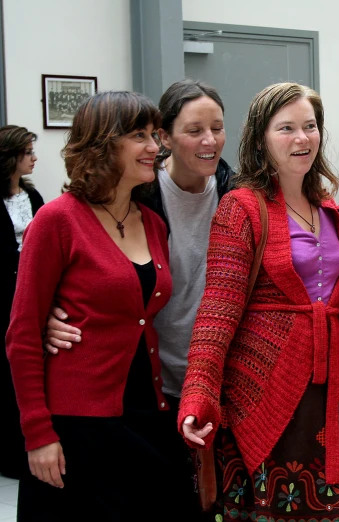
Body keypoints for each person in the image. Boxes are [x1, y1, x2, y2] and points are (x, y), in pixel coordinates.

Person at [43, 79, 235, 519]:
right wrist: (48, 316)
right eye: (193, 130)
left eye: (218, 127)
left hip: (214, 383)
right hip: (145, 387)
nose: (209, 141)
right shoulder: (140, 196)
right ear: (166, 137)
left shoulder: (236, 196)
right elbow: (71, 275)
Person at [178, 82, 339, 521]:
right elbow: (216, 314)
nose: (302, 138)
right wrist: (198, 395)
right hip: (263, 391)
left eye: (310, 126)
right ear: (261, 138)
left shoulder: (327, 206)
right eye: (286, 128)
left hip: (327, 389)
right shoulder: (240, 208)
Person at [6, 91, 178, 521]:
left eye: (155, 135)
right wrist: (38, 435)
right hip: (77, 425)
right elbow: (23, 334)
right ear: (103, 144)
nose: (155, 147)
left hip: (145, 410)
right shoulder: (58, 220)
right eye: (140, 136)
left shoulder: (153, 223)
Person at [0, 125, 42, 480]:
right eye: (28, 152)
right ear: (11, 157)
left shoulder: (34, 196)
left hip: (28, 291)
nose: (34, 158)